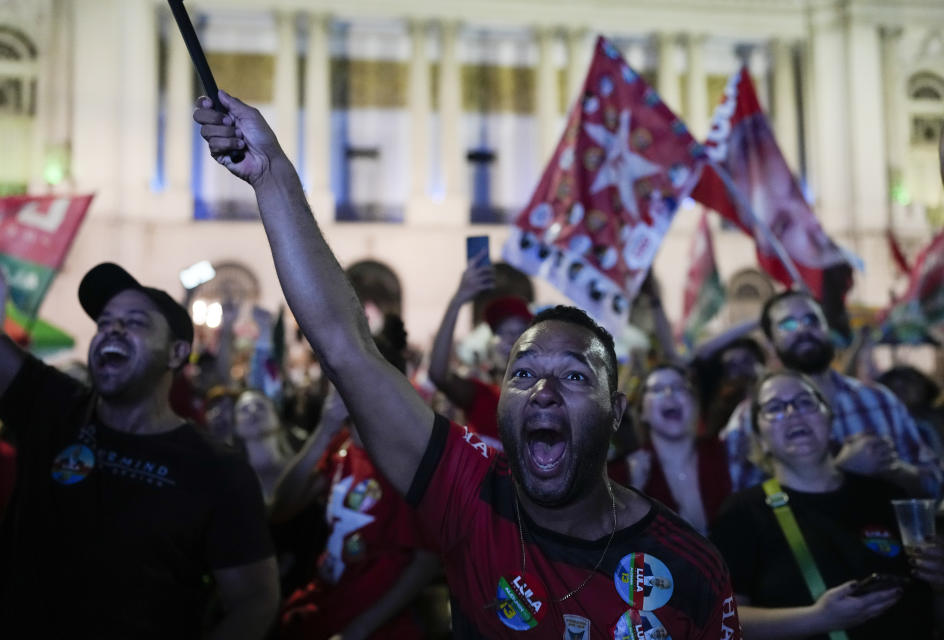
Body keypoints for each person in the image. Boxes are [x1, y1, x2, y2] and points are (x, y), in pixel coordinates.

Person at [194, 90, 742, 638]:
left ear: (617, 411)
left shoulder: (691, 568)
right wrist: (273, 178)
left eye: (575, 375)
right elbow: (345, 347)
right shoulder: (468, 493)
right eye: (522, 373)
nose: (543, 391)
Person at [0, 262, 279, 638]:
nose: (113, 329)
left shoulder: (217, 470)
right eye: (104, 323)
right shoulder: (53, 408)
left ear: (176, 353)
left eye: (136, 322)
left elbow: (255, 600)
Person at [710, 370, 944, 638]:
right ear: (760, 439)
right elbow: (723, 621)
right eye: (774, 408)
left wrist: (940, 584)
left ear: (829, 419)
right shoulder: (742, 512)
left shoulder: (885, 495)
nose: (792, 412)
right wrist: (817, 618)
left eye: (805, 402)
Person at [271, 323, 441, 640]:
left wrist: (358, 630)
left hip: (376, 622)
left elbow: (426, 561)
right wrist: (323, 430)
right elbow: (282, 508)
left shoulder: (407, 458)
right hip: (324, 603)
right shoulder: (340, 445)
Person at [720, 290, 942, 497]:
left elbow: (933, 484)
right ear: (770, 343)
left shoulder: (879, 400)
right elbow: (747, 506)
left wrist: (892, 469)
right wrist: (840, 470)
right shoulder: (752, 417)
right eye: (787, 325)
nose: (802, 330)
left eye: (811, 320)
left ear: (827, 329)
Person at [429, 258, 533, 449]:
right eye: (503, 332)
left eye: (518, 332)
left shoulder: (545, 397)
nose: (510, 340)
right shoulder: (482, 395)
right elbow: (438, 374)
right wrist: (457, 300)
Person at [618, 365, 732, 534]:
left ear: (695, 404)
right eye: (657, 389)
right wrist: (635, 490)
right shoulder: (622, 474)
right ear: (642, 412)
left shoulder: (727, 453)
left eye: (679, 387)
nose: (669, 394)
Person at [235, 388, 292, 499]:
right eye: (244, 409)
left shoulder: (298, 467)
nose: (253, 410)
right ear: (236, 427)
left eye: (260, 406)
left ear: (276, 418)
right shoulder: (235, 481)